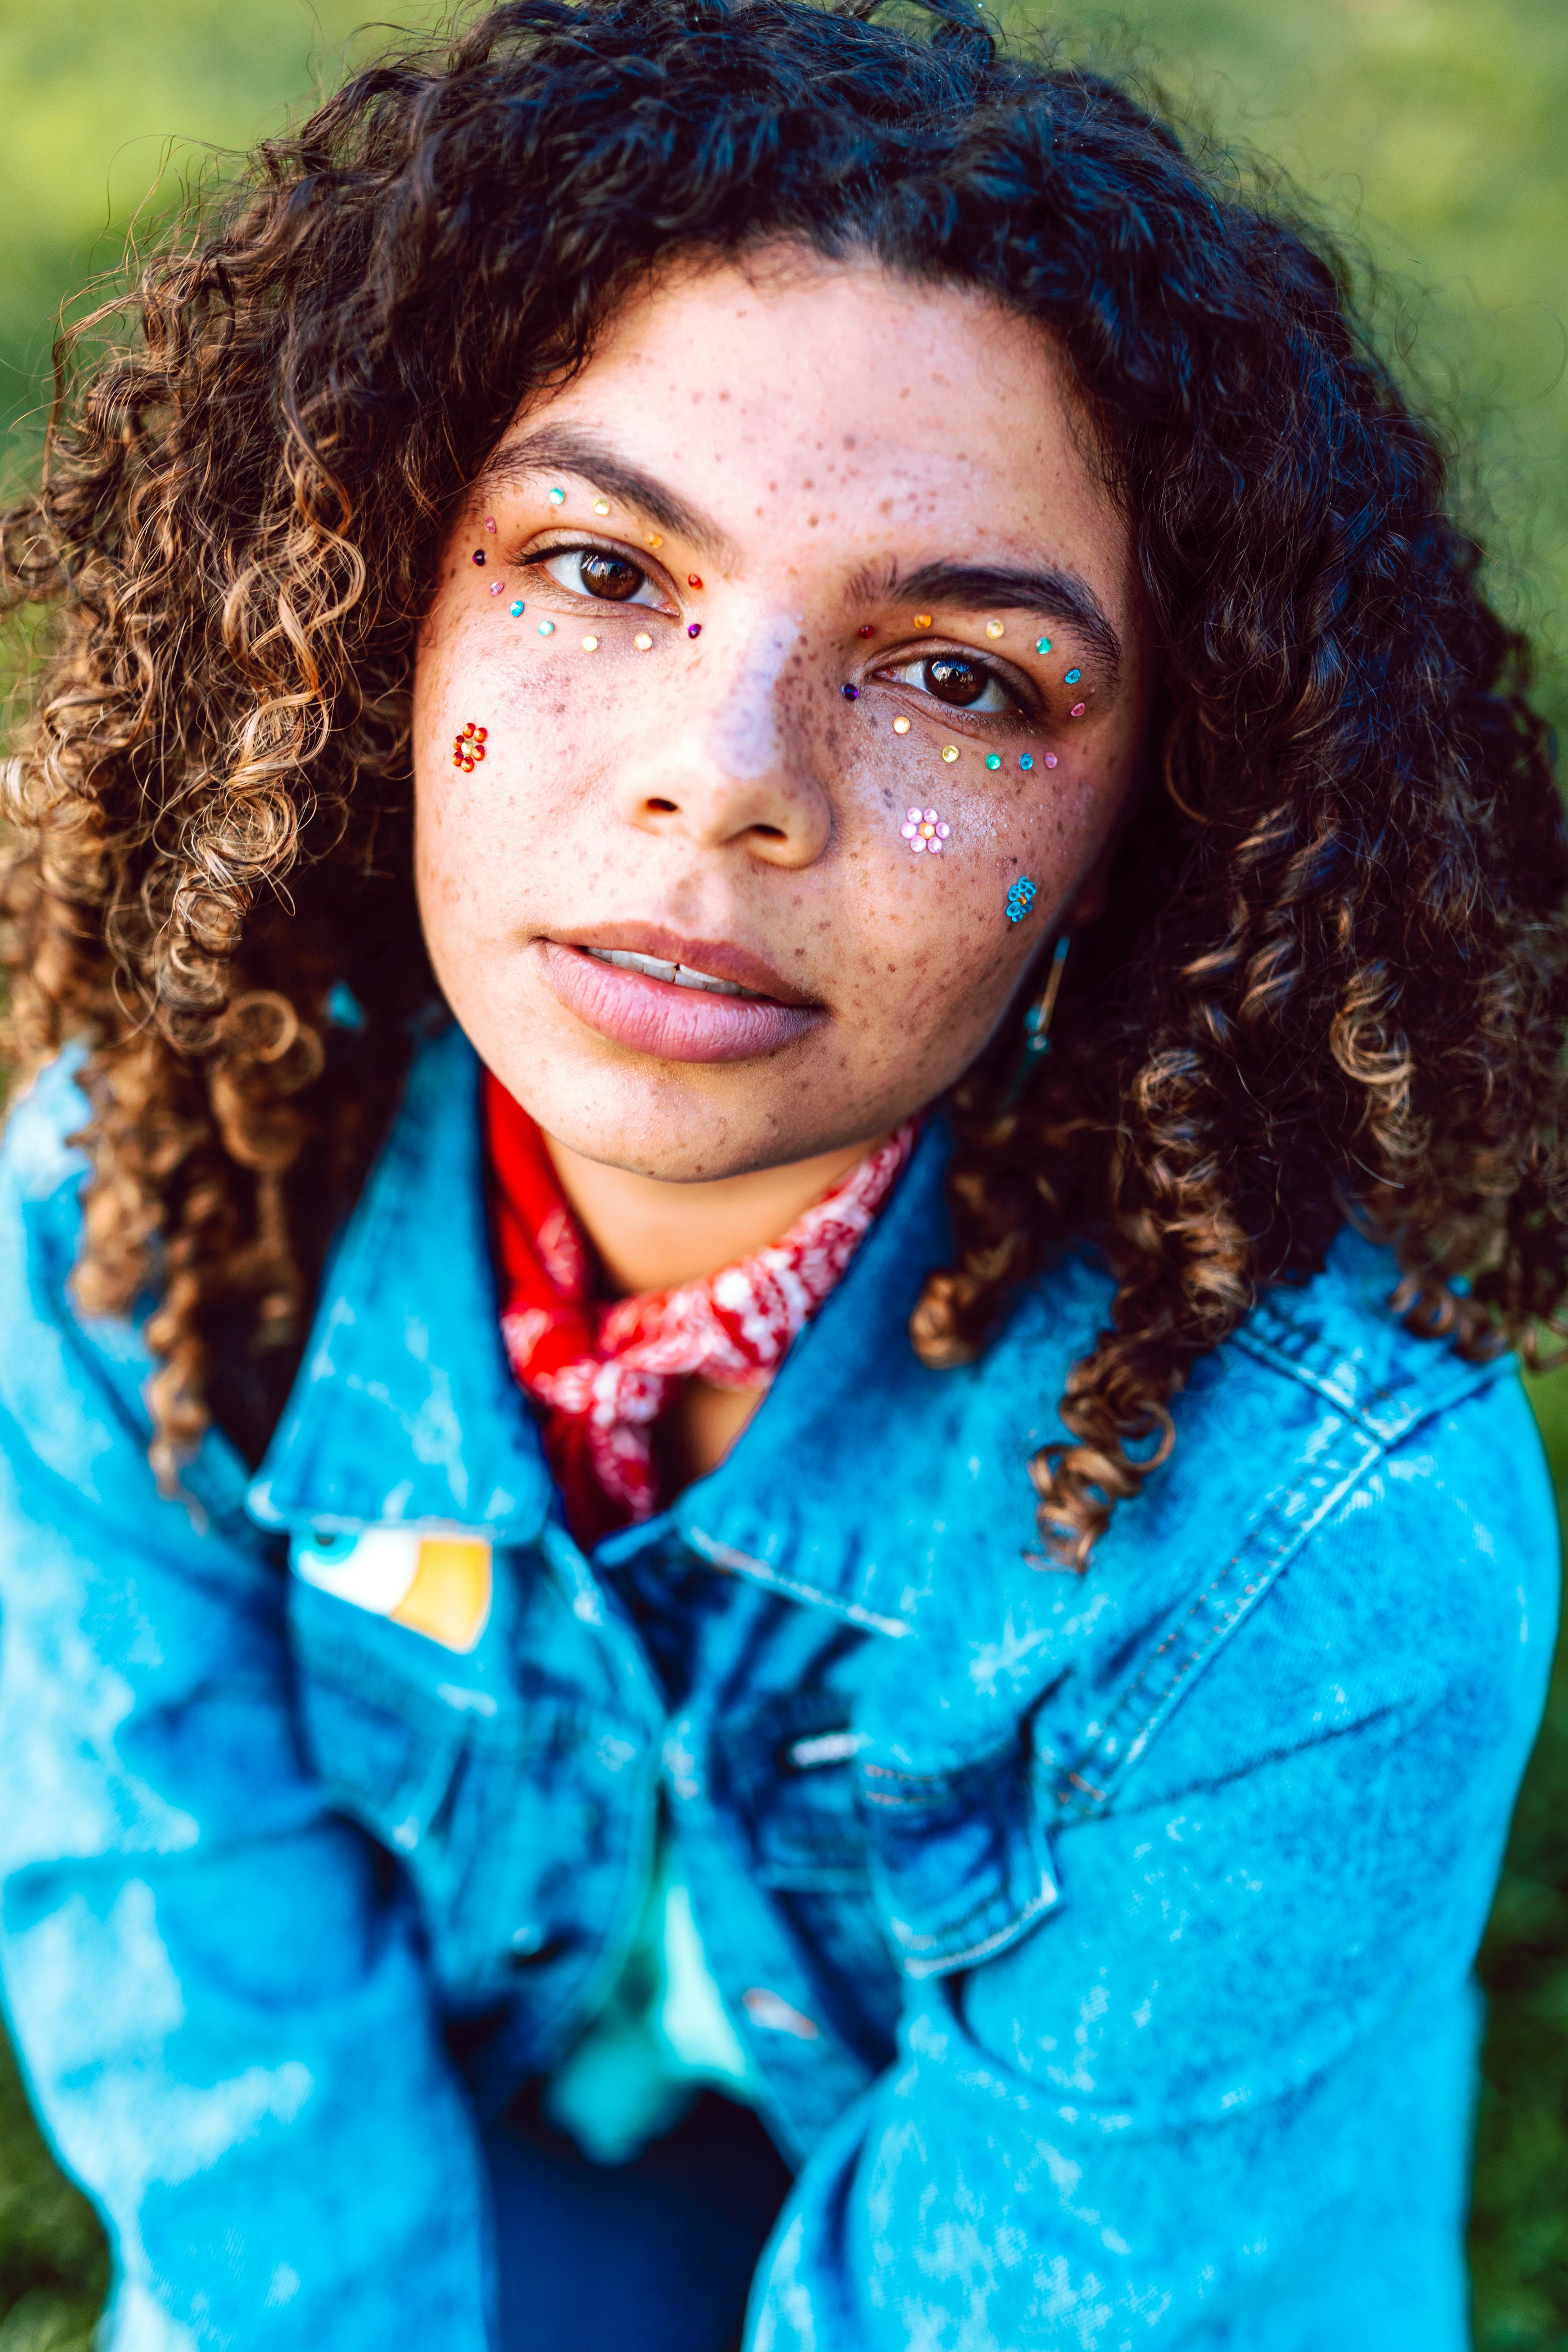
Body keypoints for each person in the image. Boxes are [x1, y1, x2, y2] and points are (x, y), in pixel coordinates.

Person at [0, 1, 1561, 2343]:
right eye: (601, 569)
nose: (725, 784)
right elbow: (204, 2018)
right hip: (492, 2152)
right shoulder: (142, 1209)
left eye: (957, 677)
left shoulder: (1322, 1534)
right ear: (374, 591)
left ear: (1159, 812)